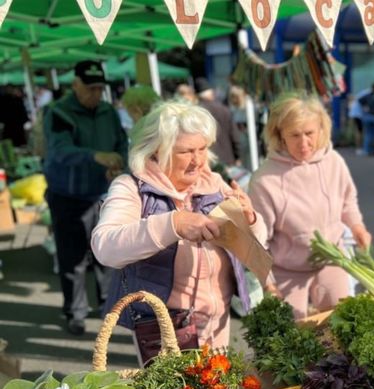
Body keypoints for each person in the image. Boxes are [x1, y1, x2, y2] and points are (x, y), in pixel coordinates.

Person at [91, 102, 275, 349]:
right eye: (186, 151)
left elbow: (257, 243)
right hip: (165, 327)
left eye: (202, 149)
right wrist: (173, 224)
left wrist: (250, 219)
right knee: (182, 388)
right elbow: (105, 247)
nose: (198, 161)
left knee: (220, 385)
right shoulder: (131, 187)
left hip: (218, 319)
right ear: (157, 150)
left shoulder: (214, 182)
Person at [249, 93, 372, 319]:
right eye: (294, 135)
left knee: (342, 322)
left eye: (309, 133)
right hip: (287, 270)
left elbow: (347, 201)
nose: (304, 143)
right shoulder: (265, 180)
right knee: (292, 336)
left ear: (321, 130)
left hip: (332, 260)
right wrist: (268, 285)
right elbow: (257, 242)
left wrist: (358, 228)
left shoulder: (334, 161)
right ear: (280, 135)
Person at [43, 60, 127, 335]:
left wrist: (118, 164)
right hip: (67, 196)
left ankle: (109, 308)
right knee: (73, 259)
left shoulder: (108, 112)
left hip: (102, 194)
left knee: (107, 256)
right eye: (90, 88)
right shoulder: (59, 113)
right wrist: (95, 156)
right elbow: (59, 151)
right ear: (75, 84)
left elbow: (120, 143)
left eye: (100, 88)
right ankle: (76, 311)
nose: (96, 94)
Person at [193, 78, 245, 168]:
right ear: (211, 93)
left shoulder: (196, 112)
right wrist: (238, 156)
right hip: (228, 159)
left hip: (208, 162)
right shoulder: (224, 110)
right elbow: (235, 136)